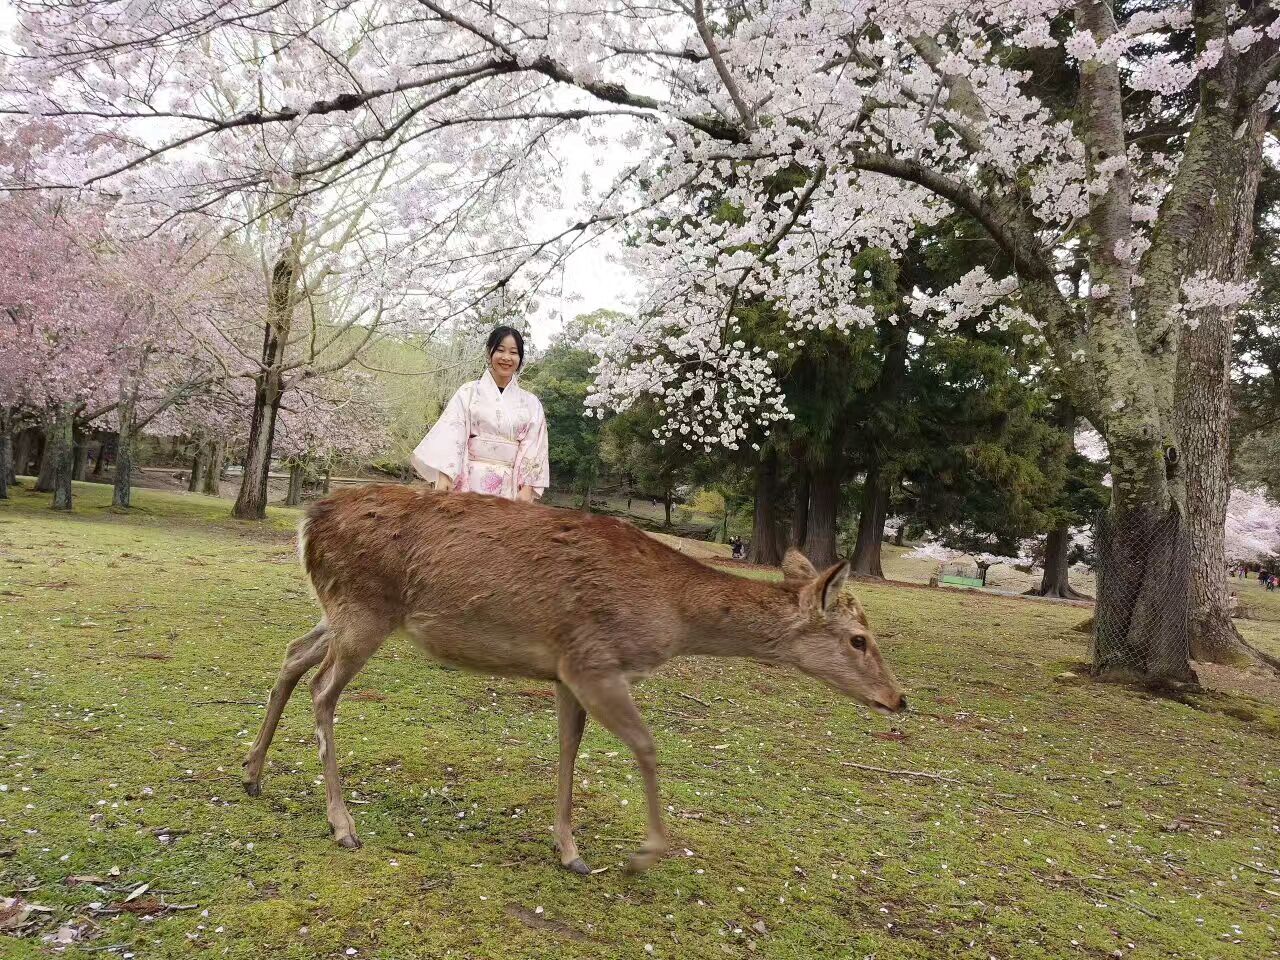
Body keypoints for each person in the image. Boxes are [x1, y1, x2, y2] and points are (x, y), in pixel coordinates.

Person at [411, 326, 550, 501]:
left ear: (520, 358)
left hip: (511, 488)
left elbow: (534, 446)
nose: (506, 357)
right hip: (469, 480)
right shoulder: (468, 392)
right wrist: (445, 475)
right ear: (489, 352)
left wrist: (527, 487)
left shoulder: (531, 404)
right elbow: (452, 434)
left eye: (513, 352)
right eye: (500, 350)